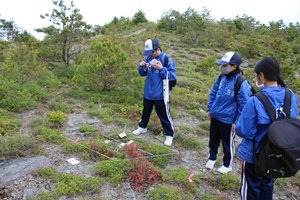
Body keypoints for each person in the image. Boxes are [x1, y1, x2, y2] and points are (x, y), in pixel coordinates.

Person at [235, 56, 299, 200]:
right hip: (277, 154)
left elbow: (244, 131)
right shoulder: (291, 96)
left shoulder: (256, 101)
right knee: (267, 185)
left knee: (250, 189)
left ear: (261, 76)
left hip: (254, 155)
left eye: (255, 76)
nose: (255, 79)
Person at [206, 52, 251, 174]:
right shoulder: (221, 77)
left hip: (229, 119)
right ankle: (212, 157)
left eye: (225, 65)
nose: (223, 67)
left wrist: (237, 122)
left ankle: (227, 164)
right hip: (216, 115)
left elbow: (244, 106)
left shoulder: (241, 83)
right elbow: (213, 93)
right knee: (213, 138)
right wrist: (210, 109)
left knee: (227, 142)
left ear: (234, 66)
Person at [132, 39, 176, 146]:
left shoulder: (167, 60)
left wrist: (161, 69)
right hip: (148, 93)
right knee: (145, 112)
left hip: (161, 94)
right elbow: (142, 74)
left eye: (151, 52)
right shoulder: (148, 58)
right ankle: (142, 127)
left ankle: (169, 134)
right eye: (148, 53)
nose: (150, 55)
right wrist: (141, 66)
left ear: (158, 49)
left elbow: (171, 77)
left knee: (164, 115)